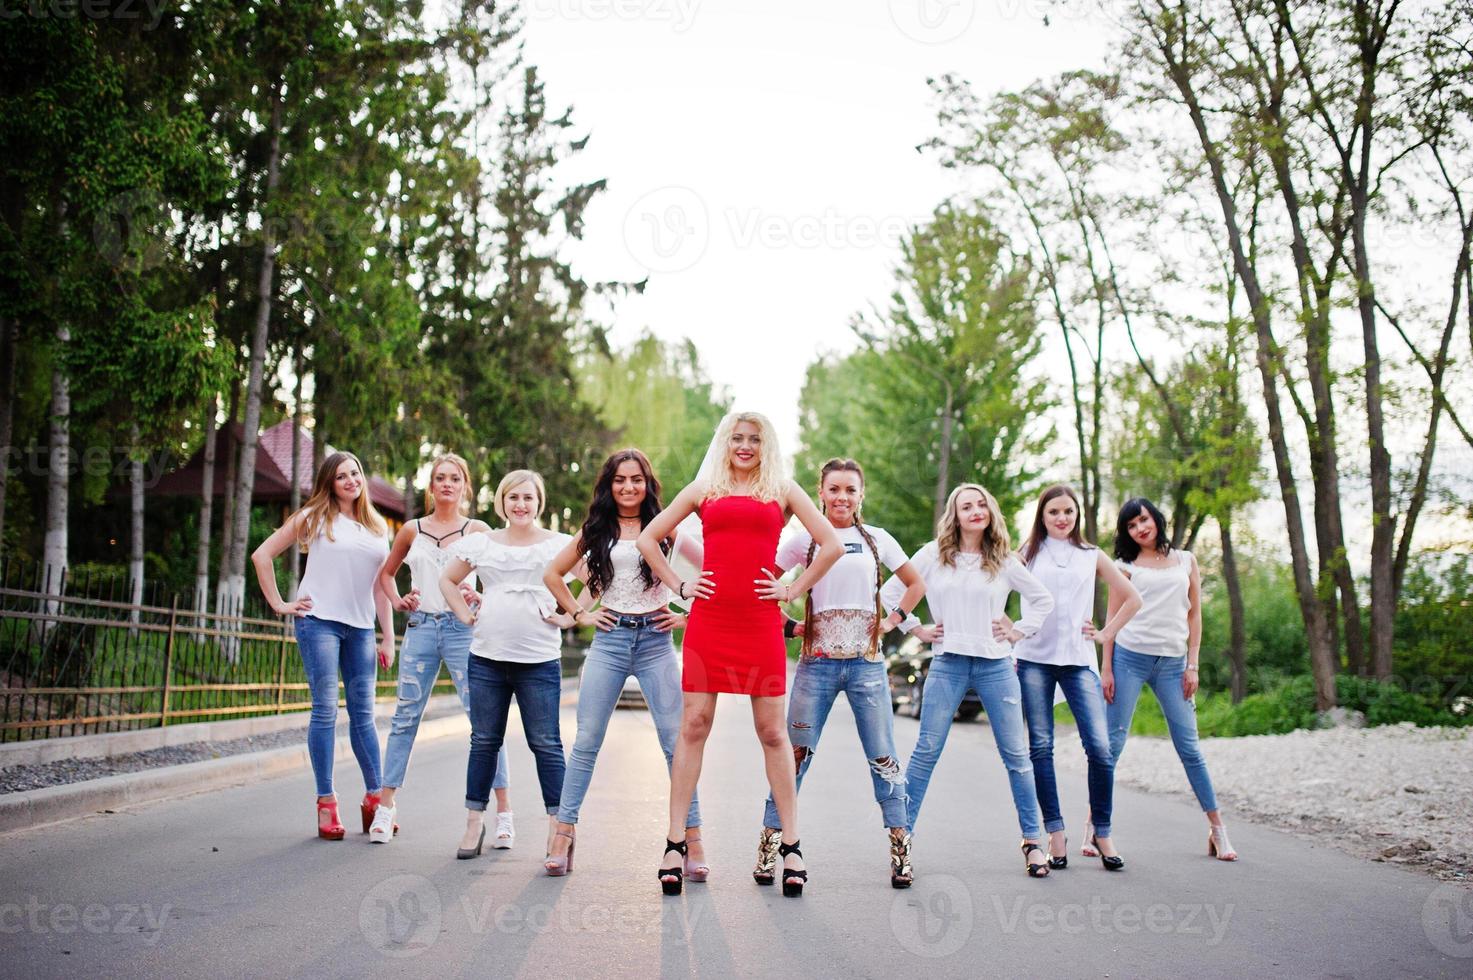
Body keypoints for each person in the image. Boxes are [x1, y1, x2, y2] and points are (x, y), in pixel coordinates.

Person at [637, 411, 843, 896]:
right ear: (725, 442)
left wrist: (792, 588)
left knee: (773, 732)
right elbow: (648, 538)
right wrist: (681, 585)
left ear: (765, 444)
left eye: (754, 439)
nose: (745, 445)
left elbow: (831, 544)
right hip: (710, 622)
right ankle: (674, 842)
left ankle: (791, 845)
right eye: (738, 438)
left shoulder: (782, 489)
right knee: (694, 726)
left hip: (759, 624)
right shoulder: (703, 488)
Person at [754, 457, 926, 889]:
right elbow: (764, 588)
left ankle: (901, 850)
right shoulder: (804, 542)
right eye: (834, 489)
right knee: (794, 757)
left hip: (866, 666)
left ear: (860, 495)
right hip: (817, 664)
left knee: (884, 757)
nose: (842, 497)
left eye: (850, 489)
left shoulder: (878, 540)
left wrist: (892, 620)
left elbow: (915, 584)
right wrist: (791, 626)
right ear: (821, 493)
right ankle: (771, 845)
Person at [540, 449, 707, 877]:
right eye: (619, 480)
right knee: (588, 740)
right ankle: (563, 833)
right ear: (609, 485)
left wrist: (688, 613)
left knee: (676, 742)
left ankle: (693, 840)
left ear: (647, 484)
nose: (628, 487)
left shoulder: (668, 527)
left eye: (636, 479)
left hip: (656, 640)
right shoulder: (597, 529)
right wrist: (581, 615)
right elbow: (553, 574)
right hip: (611, 640)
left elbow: (714, 571)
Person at [883, 483, 1057, 877]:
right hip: (948, 663)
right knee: (926, 752)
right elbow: (890, 591)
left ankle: (1033, 842)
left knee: (1016, 756)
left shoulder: (1004, 560)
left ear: (990, 512)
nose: (975, 510)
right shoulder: (933, 555)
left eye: (981, 504)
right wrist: (915, 628)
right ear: (955, 515)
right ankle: (902, 845)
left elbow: (1042, 600)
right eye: (966, 506)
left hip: (996, 666)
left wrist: (1018, 630)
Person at [369, 453, 514, 846]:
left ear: (464, 486)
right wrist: (399, 602)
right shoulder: (411, 530)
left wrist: (479, 596)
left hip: (462, 632)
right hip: (421, 629)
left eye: (454, 478)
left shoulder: (479, 531)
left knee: (485, 724)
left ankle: (503, 814)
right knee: (404, 718)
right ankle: (385, 808)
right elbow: (385, 574)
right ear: (430, 486)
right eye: (439, 478)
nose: (447, 484)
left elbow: (499, 580)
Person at [250, 451, 393, 840]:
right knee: (326, 710)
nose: (351, 480)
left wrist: (388, 636)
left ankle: (375, 800)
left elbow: (382, 586)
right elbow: (261, 555)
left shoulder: (378, 527)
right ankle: (326, 802)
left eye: (356, 472)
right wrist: (281, 604)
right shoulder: (314, 516)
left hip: (361, 629)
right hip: (319, 623)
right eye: (342, 475)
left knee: (364, 715)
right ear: (330, 482)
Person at [439, 470, 575, 861]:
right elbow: (448, 581)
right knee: (484, 741)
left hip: (539, 661)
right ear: (502, 502)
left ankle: (559, 830)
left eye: (528, 498)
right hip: (486, 658)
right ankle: (473, 822)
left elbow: (594, 580)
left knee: (546, 744)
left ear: (539, 503)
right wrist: (466, 616)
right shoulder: (482, 544)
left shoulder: (559, 545)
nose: (520, 505)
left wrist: (571, 615)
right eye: (513, 497)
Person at [1007, 484, 1141, 871]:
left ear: (1076, 516)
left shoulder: (1091, 555)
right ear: (1042, 516)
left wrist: (1104, 634)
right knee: (1041, 747)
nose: (1062, 519)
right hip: (1033, 659)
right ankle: (1055, 833)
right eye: (1054, 513)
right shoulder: (1026, 554)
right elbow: (992, 585)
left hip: (1079, 661)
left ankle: (1102, 831)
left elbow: (1132, 598)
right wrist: (1008, 626)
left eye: (1068, 512)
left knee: (1100, 747)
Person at [1104, 497, 1238, 861]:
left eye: (1143, 520)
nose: (1140, 529)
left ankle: (1218, 830)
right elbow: (1112, 619)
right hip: (1129, 659)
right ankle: (1095, 829)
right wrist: (1107, 668)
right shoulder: (1125, 565)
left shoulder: (1187, 561)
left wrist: (1192, 664)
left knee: (1189, 747)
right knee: (1112, 748)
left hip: (1173, 664)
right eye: (1131, 526)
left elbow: (1194, 616)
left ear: (1156, 519)